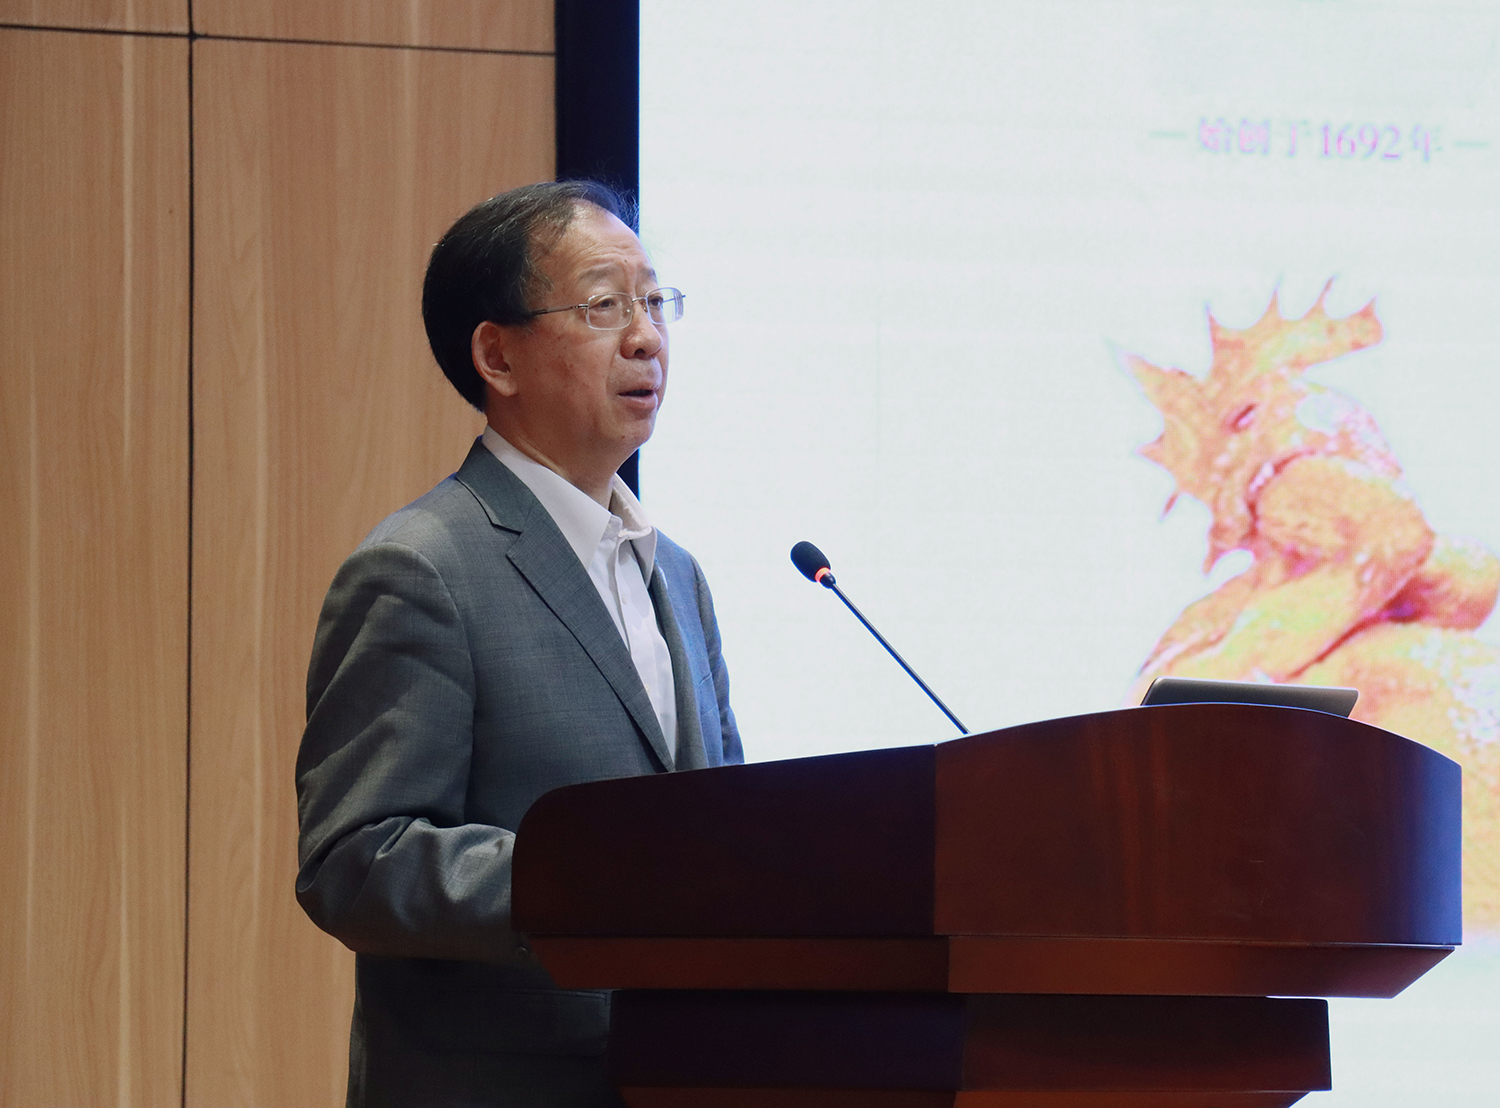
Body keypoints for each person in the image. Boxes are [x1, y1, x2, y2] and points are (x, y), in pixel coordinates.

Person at [294, 180, 742, 1108]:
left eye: (655, 302)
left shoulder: (678, 576)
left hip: (683, 1075)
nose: (647, 337)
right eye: (604, 305)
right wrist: (589, 884)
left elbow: (721, 820)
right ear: (497, 356)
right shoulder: (422, 568)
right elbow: (356, 860)